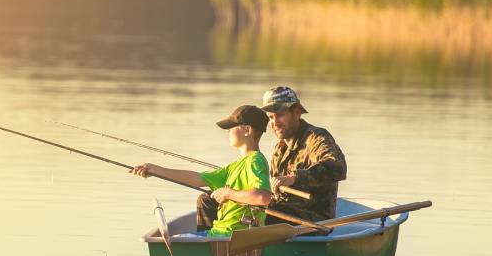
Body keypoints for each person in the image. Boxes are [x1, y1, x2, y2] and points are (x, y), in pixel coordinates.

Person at [130, 105, 272, 236]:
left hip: (230, 236)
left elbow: (262, 197)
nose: (228, 131)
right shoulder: (234, 167)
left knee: (178, 240)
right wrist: (155, 170)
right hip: (219, 233)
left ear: (247, 130)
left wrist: (227, 193)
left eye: (232, 127)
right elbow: (196, 179)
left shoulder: (255, 161)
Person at [261, 86, 347, 223]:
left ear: (297, 113)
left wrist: (294, 178)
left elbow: (338, 168)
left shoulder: (316, 138)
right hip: (281, 213)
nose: (275, 123)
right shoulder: (280, 148)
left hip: (314, 221)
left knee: (262, 215)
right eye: (271, 117)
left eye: (280, 115)